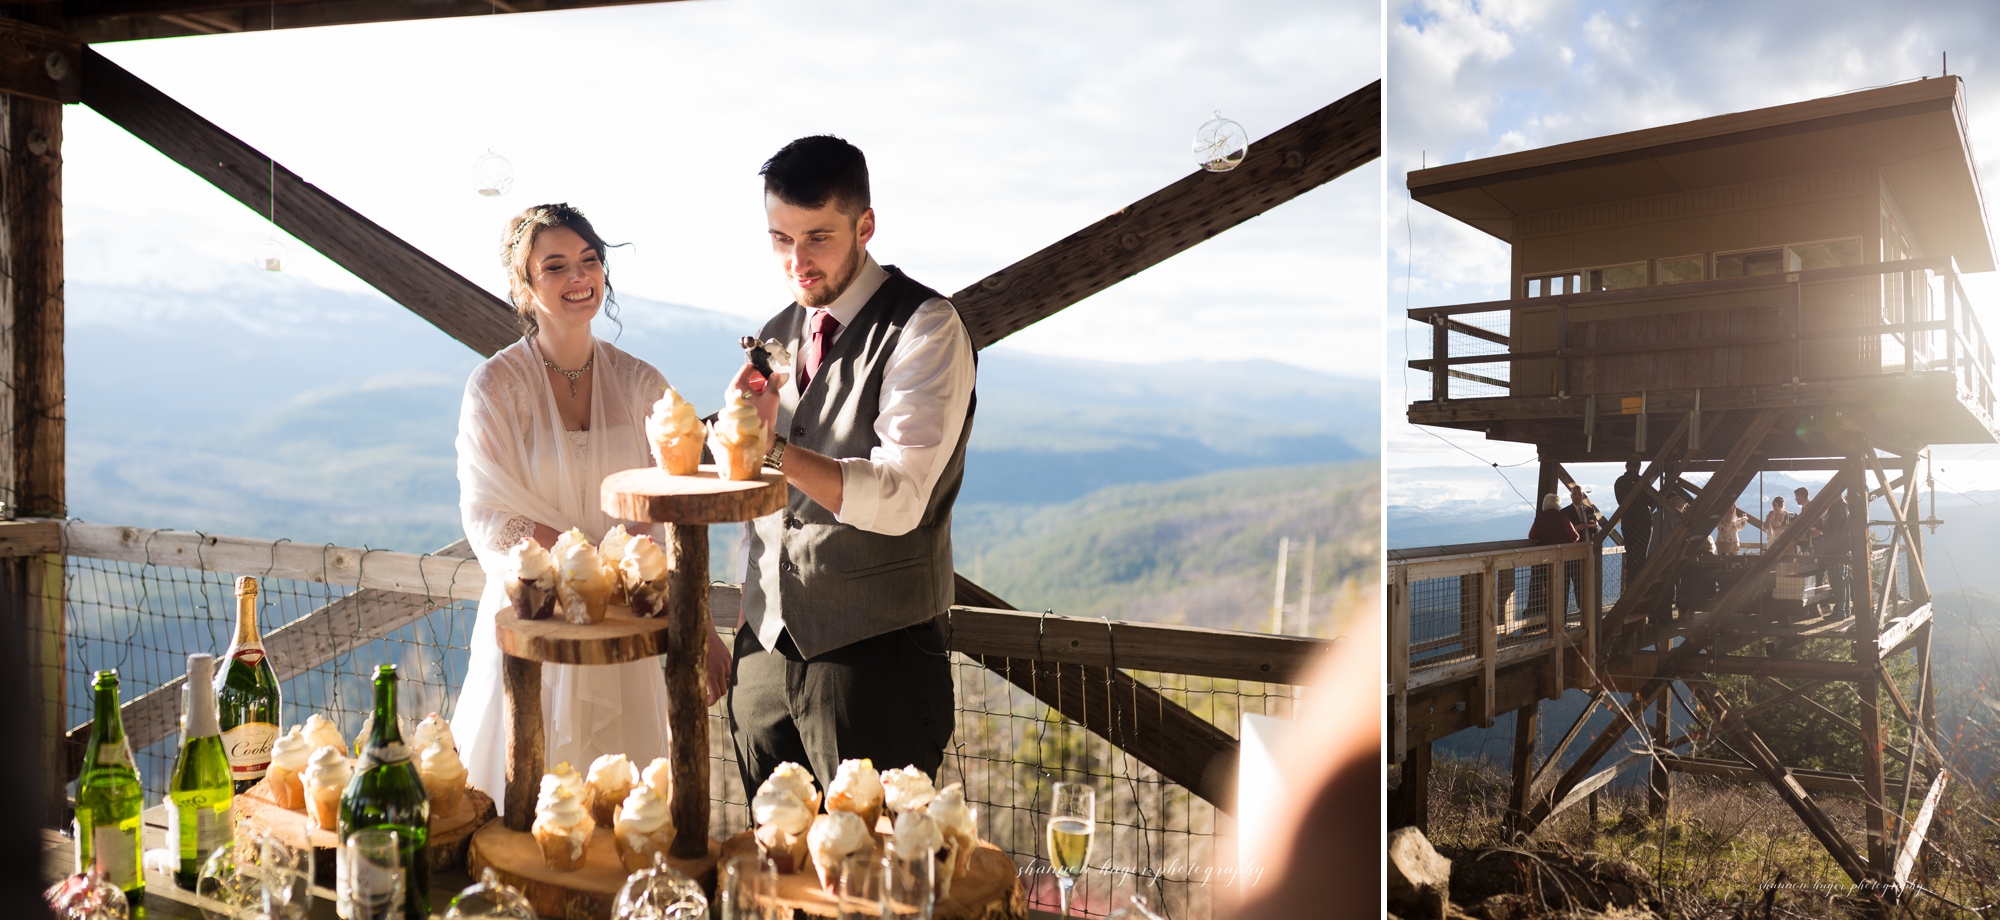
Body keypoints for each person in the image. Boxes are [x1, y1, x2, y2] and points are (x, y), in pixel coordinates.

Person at [451, 204, 730, 812]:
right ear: (524, 286)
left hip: (625, 627)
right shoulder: (495, 387)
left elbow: (676, 507)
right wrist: (586, 571)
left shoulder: (641, 383)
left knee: (630, 810)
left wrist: (699, 621)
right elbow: (490, 513)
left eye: (589, 260)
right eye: (555, 266)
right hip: (535, 621)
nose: (579, 277)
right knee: (522, 805)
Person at [727, 137, 976, 796]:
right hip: (763, 654)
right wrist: (729, 436)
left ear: (865, 226)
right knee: (772, 854)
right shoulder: (777, 331)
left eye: (818, 237)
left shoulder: (927, 327)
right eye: (780, 239)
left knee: (879, 857)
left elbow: (900, 497)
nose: (797, 261)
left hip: (877, 663)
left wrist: (771, 450)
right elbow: (756, 485)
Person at [1613, 460, 1653, 589]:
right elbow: (1652, 500)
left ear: (1626, 466)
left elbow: (1620, 501)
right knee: (1642, 554)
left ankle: (1630, 585)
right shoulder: (1643, 481)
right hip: (1643, 520)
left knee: (1630, 553)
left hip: (1628, 520)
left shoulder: (1619, 482)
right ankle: (1641, 585)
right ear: (1639, 467)